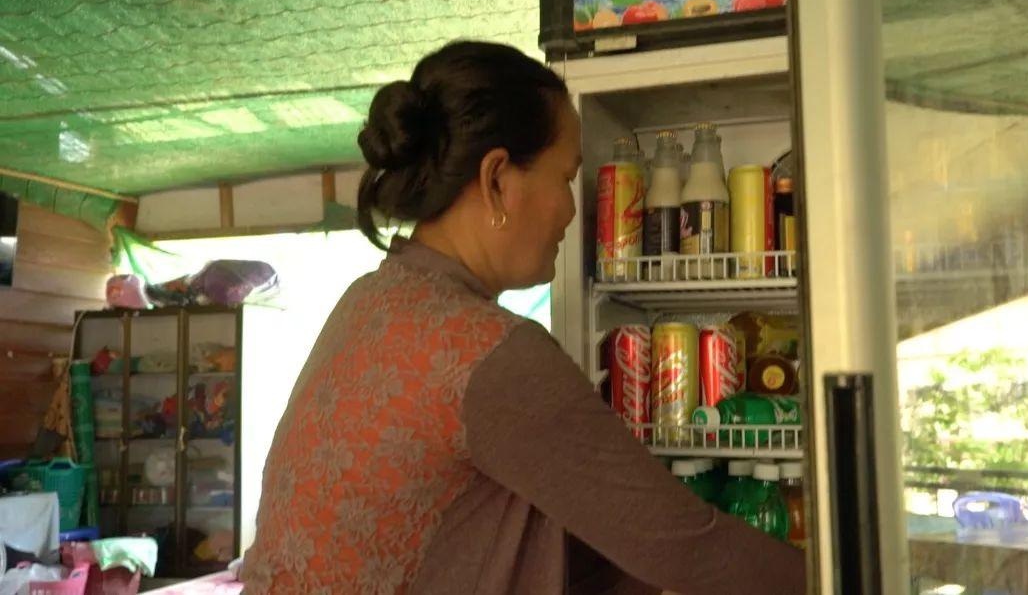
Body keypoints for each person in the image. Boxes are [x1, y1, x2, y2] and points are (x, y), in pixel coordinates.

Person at [242, 41, 805, 594]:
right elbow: (687, 549)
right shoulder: (490, 354)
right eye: (565, 178)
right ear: (496, 180)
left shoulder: (368, 299)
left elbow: (574, 539)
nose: (572, 208)